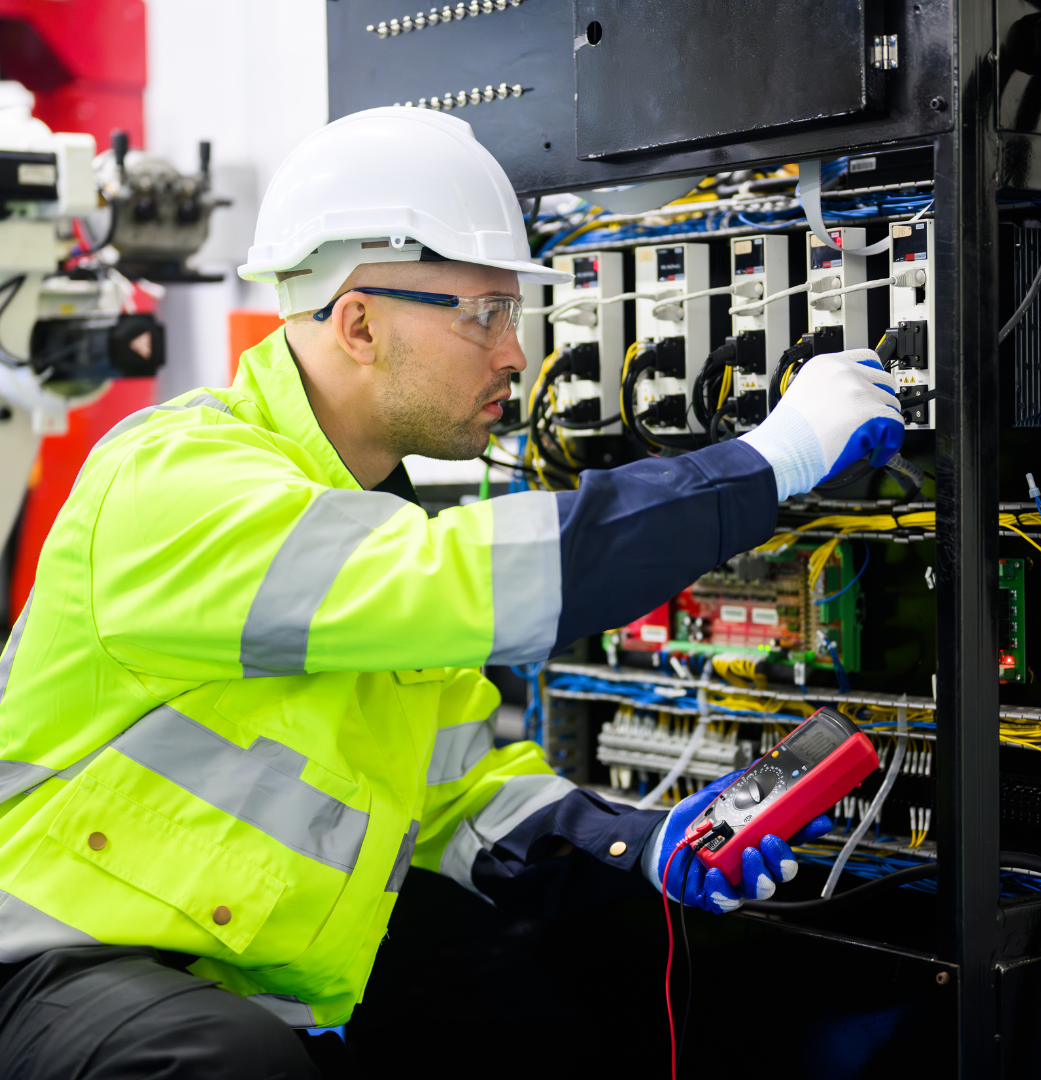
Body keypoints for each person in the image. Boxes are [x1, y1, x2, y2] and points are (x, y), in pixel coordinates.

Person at [0, 107, 904, 1077]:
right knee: (220, 1062)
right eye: (485, 314)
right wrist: (766, 462)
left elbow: (460, 794)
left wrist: (642, 844)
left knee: (529, 1005)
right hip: (54, 976)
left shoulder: (363, 521)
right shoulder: (177, 477)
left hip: (248, 991)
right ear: (357, 323)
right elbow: (457, 576)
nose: (515, 355)